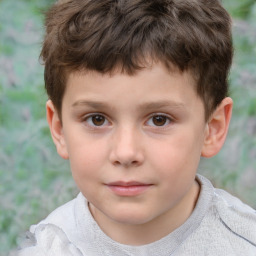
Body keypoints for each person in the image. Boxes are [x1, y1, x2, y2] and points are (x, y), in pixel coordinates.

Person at [17, 0, 256, 255]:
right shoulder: (46, 249)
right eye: (97, 119)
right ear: (59, 129)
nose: (126, 153)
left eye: (159, 120)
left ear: (213, 128)